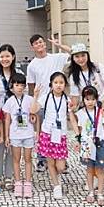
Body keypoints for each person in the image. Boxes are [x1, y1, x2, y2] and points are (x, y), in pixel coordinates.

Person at [67, 43, 104, 201]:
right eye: (77, 56)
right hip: (86, 112)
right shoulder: (73, 76)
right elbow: (76, 98)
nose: (80, 59)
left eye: (83, 55)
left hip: (101, 109)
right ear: (73, 58)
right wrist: (73, 106)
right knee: (90, 149)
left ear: (87, 55)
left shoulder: (98, 68)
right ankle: (96, 181)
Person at [25, 34, 71, 172]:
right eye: (36, 43)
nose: (39, 45)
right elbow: (31, 86)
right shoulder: (32, 65)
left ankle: (60, 158)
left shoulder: (56, 57)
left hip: (57, 100)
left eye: (41, 42)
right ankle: (41, 159)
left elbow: (73, 51)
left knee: (60, 130)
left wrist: (58, 45)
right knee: (41, 131)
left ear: (45, 43)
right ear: (32, 47)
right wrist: (32, 103)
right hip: (42, 102)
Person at [0, 43, 22, 190]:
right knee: (0, 146)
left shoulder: (18, 73)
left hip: (14, 117)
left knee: (12, 146)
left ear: (13, 57)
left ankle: (9, 175)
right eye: (1, 56)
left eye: (7, 56)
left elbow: (22, 93)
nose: (4, 59)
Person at [37, 71, 78, 199]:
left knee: (60, 166)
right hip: (47, 133)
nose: (58, 85)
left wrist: (78, 135)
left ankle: (57, 177)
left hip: (61, 135)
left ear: (65, 85)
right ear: (51, 84)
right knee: (50, 162)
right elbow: (33, 110)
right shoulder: (45, 97)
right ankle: (56, 186)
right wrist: (35, 96)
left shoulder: (67, 100)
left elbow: (71, 117)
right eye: (56, 82)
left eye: (61, 82)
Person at [2, 73, 40, 198]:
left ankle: (28, 183)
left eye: (22, 85)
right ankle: (18, 183)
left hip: (28, 134)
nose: (19, 87)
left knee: (28, 159)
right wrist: (7, 136)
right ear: (12, 86)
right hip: (15, 135)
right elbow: (7, 119)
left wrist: (35, 96)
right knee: (16, 160)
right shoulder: (9, 101)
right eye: (17, 85)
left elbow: (35, 113)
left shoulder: (29, 99)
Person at [74, 86, 104, 206]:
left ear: (96, 100)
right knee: (89, 170)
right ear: (83, 100)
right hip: (87, 144)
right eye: (88, 99)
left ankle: (100, 192)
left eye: (93, 99)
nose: (90, 102)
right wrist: (78, 142)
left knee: (100, 170)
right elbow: (80, 130)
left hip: (100, 143)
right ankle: (90, 191)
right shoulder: (80, 113)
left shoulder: (101, 112)